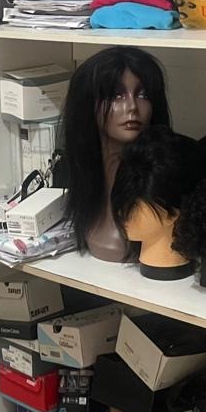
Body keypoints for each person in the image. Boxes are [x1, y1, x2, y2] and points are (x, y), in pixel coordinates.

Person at [60, 47, 170, 262]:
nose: (132, 107)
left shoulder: (165, 197)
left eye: (143, 95)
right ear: (88, 103)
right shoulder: (85, 189)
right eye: (116, 95)